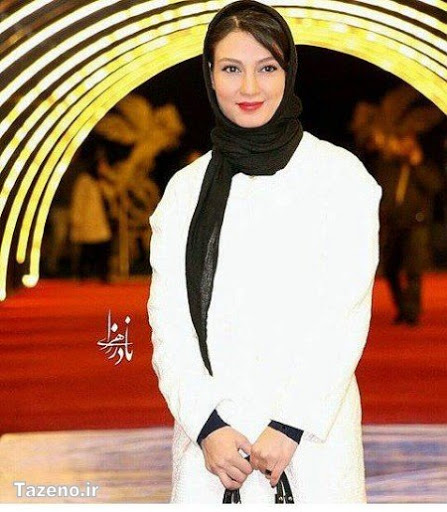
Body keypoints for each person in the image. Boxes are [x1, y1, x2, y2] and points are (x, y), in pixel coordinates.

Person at [147, 0, 382, 503]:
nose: (250, 88)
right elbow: (169, 325)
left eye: (267, 68)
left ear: (289, 71)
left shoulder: (340, 179)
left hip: (313, 444)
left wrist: (291, 424)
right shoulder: (185, 190)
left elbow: (342, 317)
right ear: (210, 75)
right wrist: (207, 425)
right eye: (232, 69)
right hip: (212, 452)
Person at [372, 132, 443, 325]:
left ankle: (411, 312)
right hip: (393, 224)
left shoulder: (423, 167)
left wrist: (416, 164)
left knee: (414, 269)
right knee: (390, 268)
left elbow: (435, 187)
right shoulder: (389, 165)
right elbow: (380, 187)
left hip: (416, 225)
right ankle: (403, 306)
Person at [70, 149, 112, 282]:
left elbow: (111, 194)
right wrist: (76, 218)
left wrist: (107, 178)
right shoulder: (85, 181)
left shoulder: (101, 182)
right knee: (87, 249)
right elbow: (78, 200)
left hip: (100, 221)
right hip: (88, 221)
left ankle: (103, 274)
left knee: (103, 248)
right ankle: (83, 274)